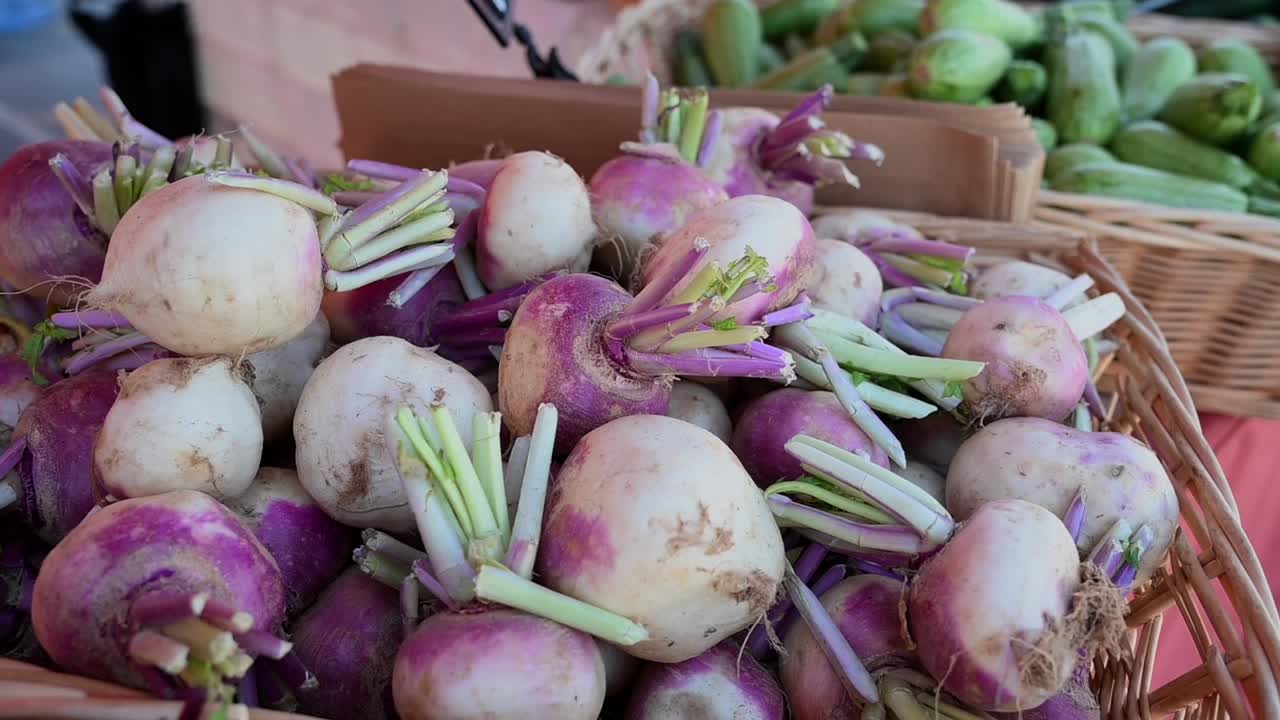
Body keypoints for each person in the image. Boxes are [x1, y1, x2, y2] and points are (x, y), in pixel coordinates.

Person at [68, 0, 205, 140]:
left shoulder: (121, 26)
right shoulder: (123, 27)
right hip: (159, 114)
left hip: (156, 115)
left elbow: (83, 20)